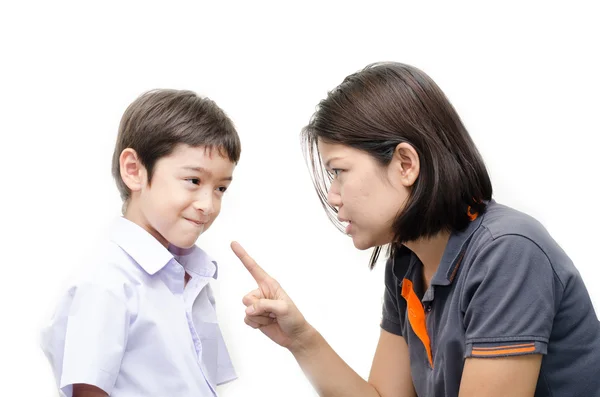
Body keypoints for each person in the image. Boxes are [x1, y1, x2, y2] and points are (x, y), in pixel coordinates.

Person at [231, 62, 600, 397]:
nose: (333, 196)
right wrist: (301, 338)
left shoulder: (508, 251)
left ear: (405, 164)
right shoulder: (406, 264)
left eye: (339, 171)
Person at [40, 89, 240, 397]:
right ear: (134, 170)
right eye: (194, 181)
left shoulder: (195, 277)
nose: (208, 204)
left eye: (221, 188)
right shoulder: (107, 282)